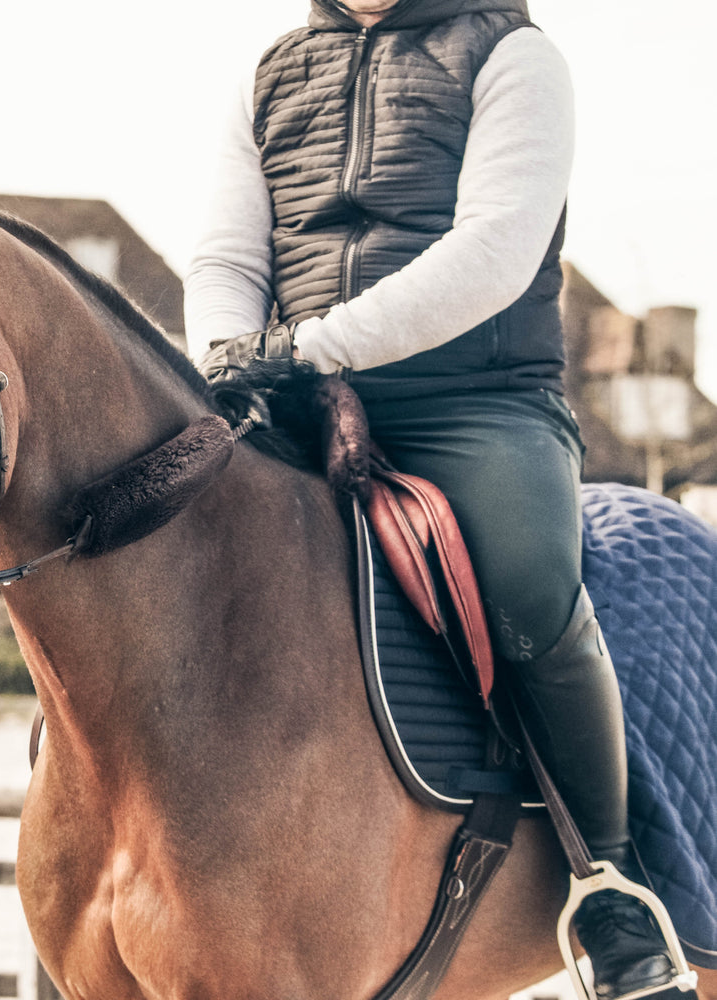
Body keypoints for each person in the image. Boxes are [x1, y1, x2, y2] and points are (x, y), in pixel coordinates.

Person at [184, 2, 685, 998]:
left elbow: (494, 253)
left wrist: (308, 344)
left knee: (531, 587)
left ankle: (615, 892)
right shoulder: (271, 73)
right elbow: (227, 256)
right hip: (293, 390)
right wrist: (230, 358)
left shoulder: (515, 56)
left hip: (477, 404)